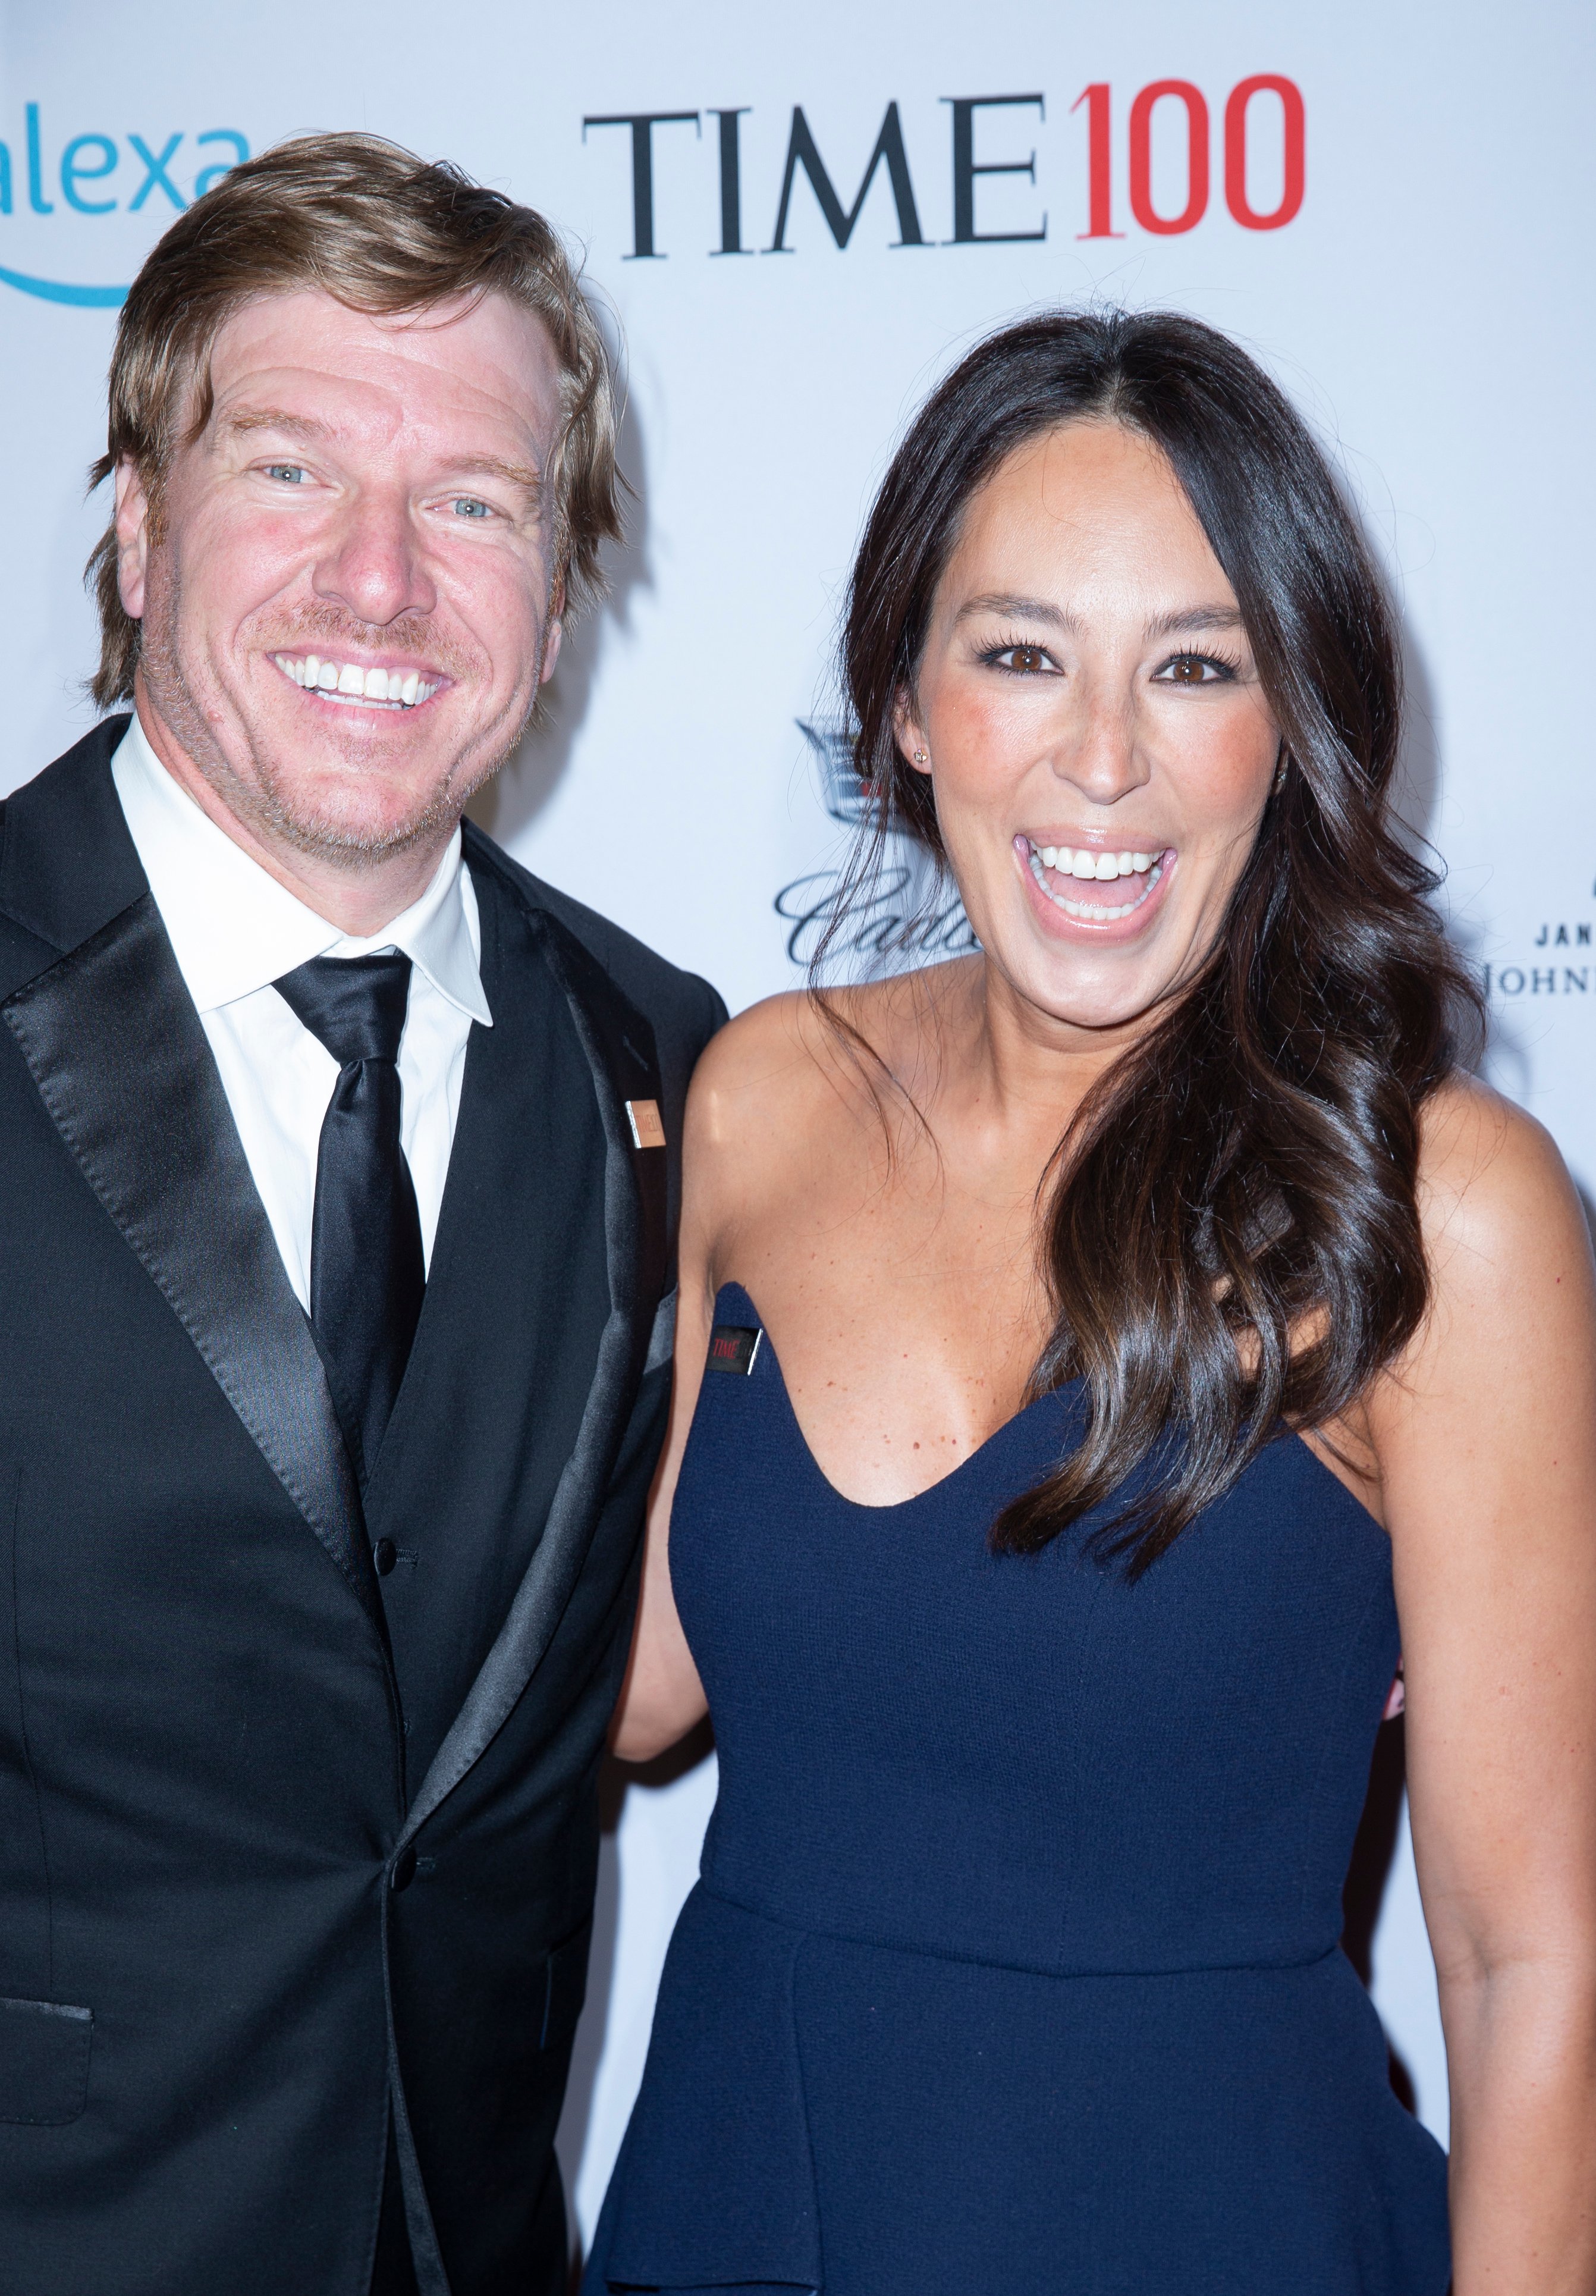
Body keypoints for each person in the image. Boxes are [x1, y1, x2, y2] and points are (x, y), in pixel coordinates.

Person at [586, 312, 1596, 2294]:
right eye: (1020, 653)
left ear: (1285, 721)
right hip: (742, 2202)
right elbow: (636, 1687)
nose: (1104, 758)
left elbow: (1522, 1951)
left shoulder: (1438, 1205)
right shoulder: (763, 1094)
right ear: (904, 698)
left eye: (1195, 665)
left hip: (1205, 2220)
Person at [0, 136, 722, 2296]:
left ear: (562, 586)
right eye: (295, 469)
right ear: (136, 532)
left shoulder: (670, 1059)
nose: (383, 583)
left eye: (475, 503)